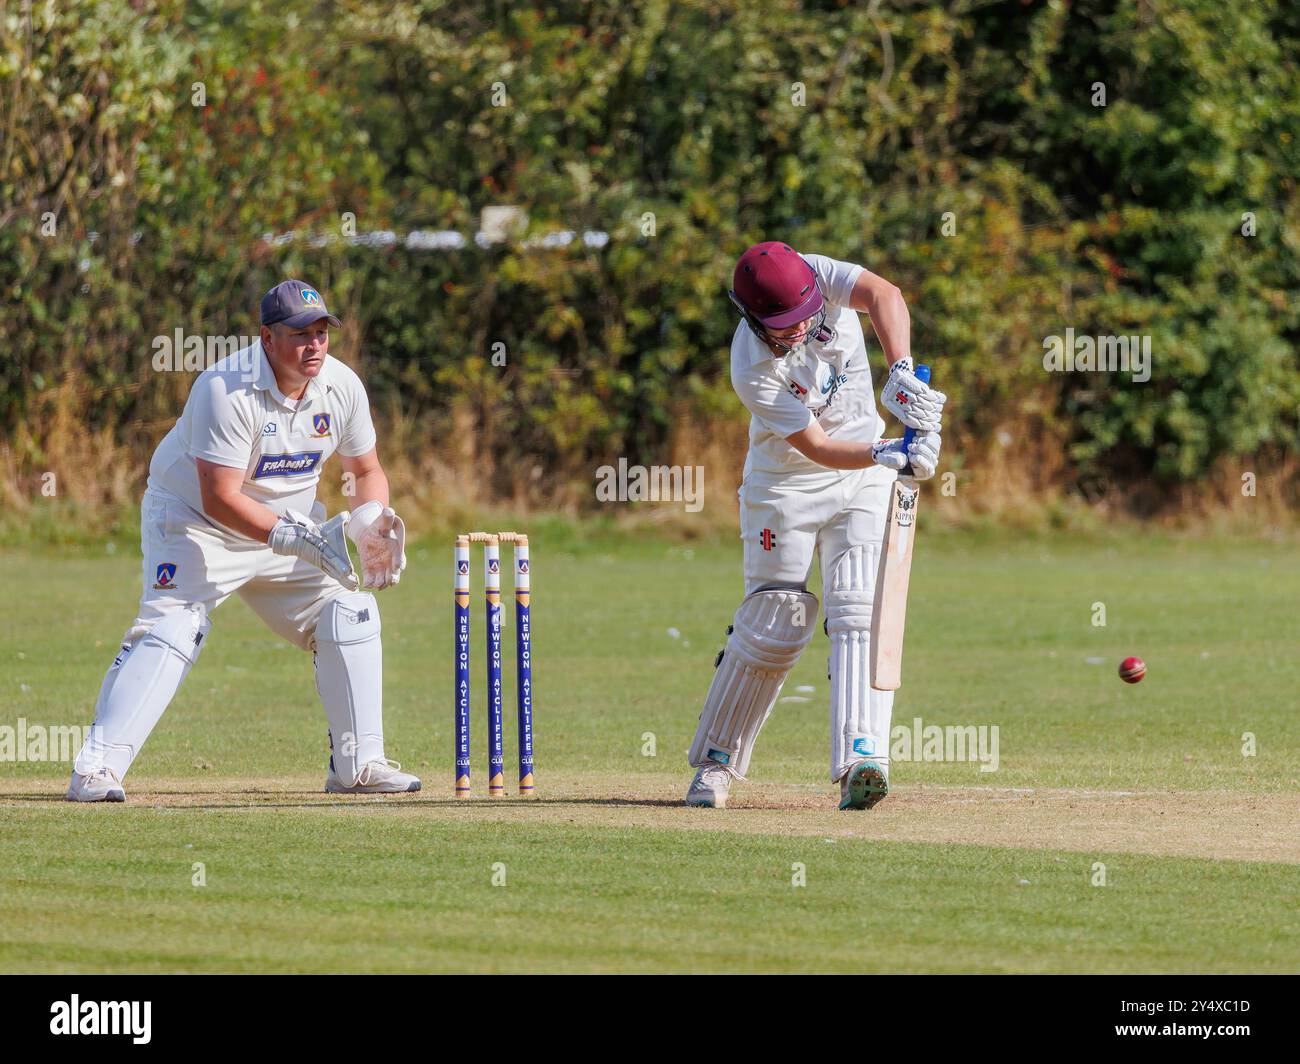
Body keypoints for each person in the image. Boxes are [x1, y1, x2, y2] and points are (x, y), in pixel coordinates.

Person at [67, 280, 414, 802]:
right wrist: (291, 536)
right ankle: (95, 770)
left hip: (295, 533)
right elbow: (219, 497)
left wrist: (371, 522)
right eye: (300, 334)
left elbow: (366, 469)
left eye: (321, 332)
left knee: (350, 611)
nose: (314, 344)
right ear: (267, 338)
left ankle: (357, 767)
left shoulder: (341, 386)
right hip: (196, 525)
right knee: (175, 624)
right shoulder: (223, 388)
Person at [685, 242, 946, 810]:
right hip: (787, 486)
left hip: (863, 482)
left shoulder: (817, 273)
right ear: (751, 317)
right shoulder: (751, 367)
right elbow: (821, 447)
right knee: (776, 619)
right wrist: (889, 452)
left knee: (858, 605)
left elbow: (885, 294)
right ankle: (715, 762)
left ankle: (862, 759)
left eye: (806, 317)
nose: (801, 331)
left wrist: (901, 369)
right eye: (784, 326)